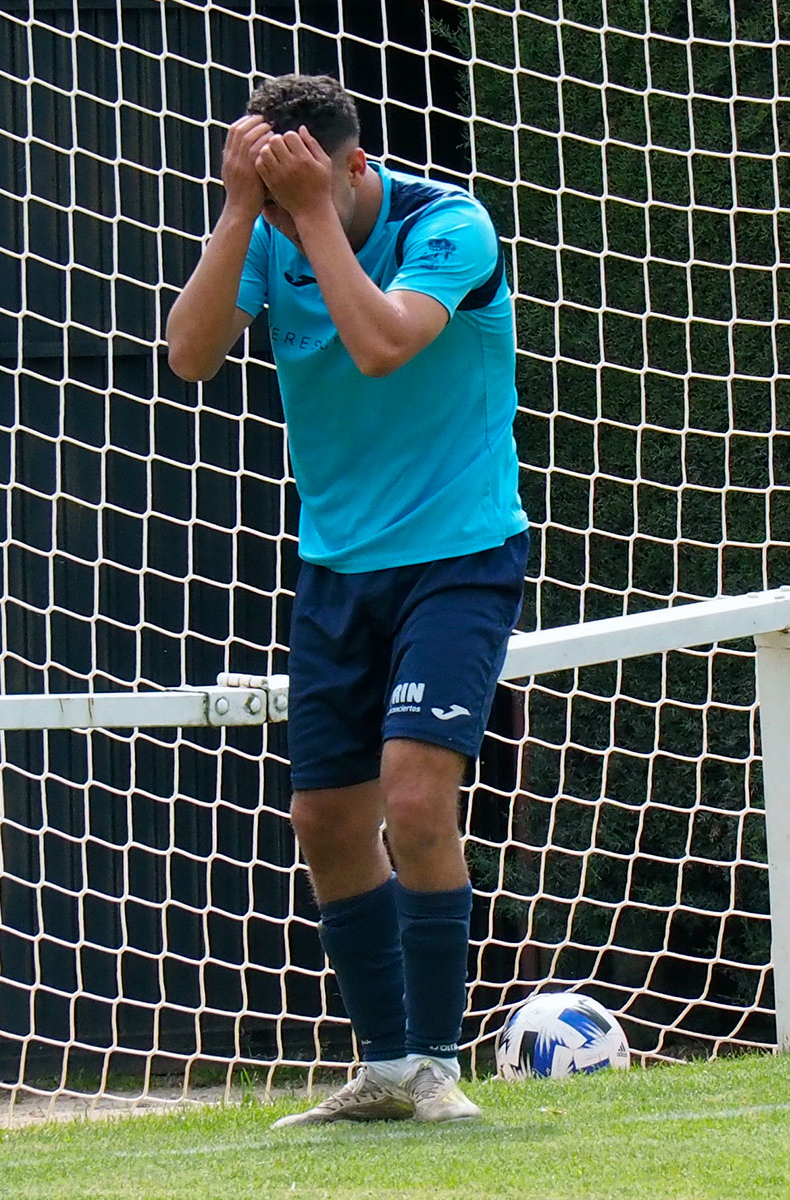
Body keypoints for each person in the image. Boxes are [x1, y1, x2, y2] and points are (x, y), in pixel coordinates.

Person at [165, 74, 528, 1125]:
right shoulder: (267, 226)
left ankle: (436, 1062)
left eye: (300, 192)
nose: (284, 219)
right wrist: (241, 213)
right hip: (336, 563)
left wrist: (312, 213)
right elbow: (190, 355)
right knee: (325, 818)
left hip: (459, 550)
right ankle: (381, 1067)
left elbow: (379, 345)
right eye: (269, 199)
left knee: (415, 795)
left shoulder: (446, 221)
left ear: (354, 165)